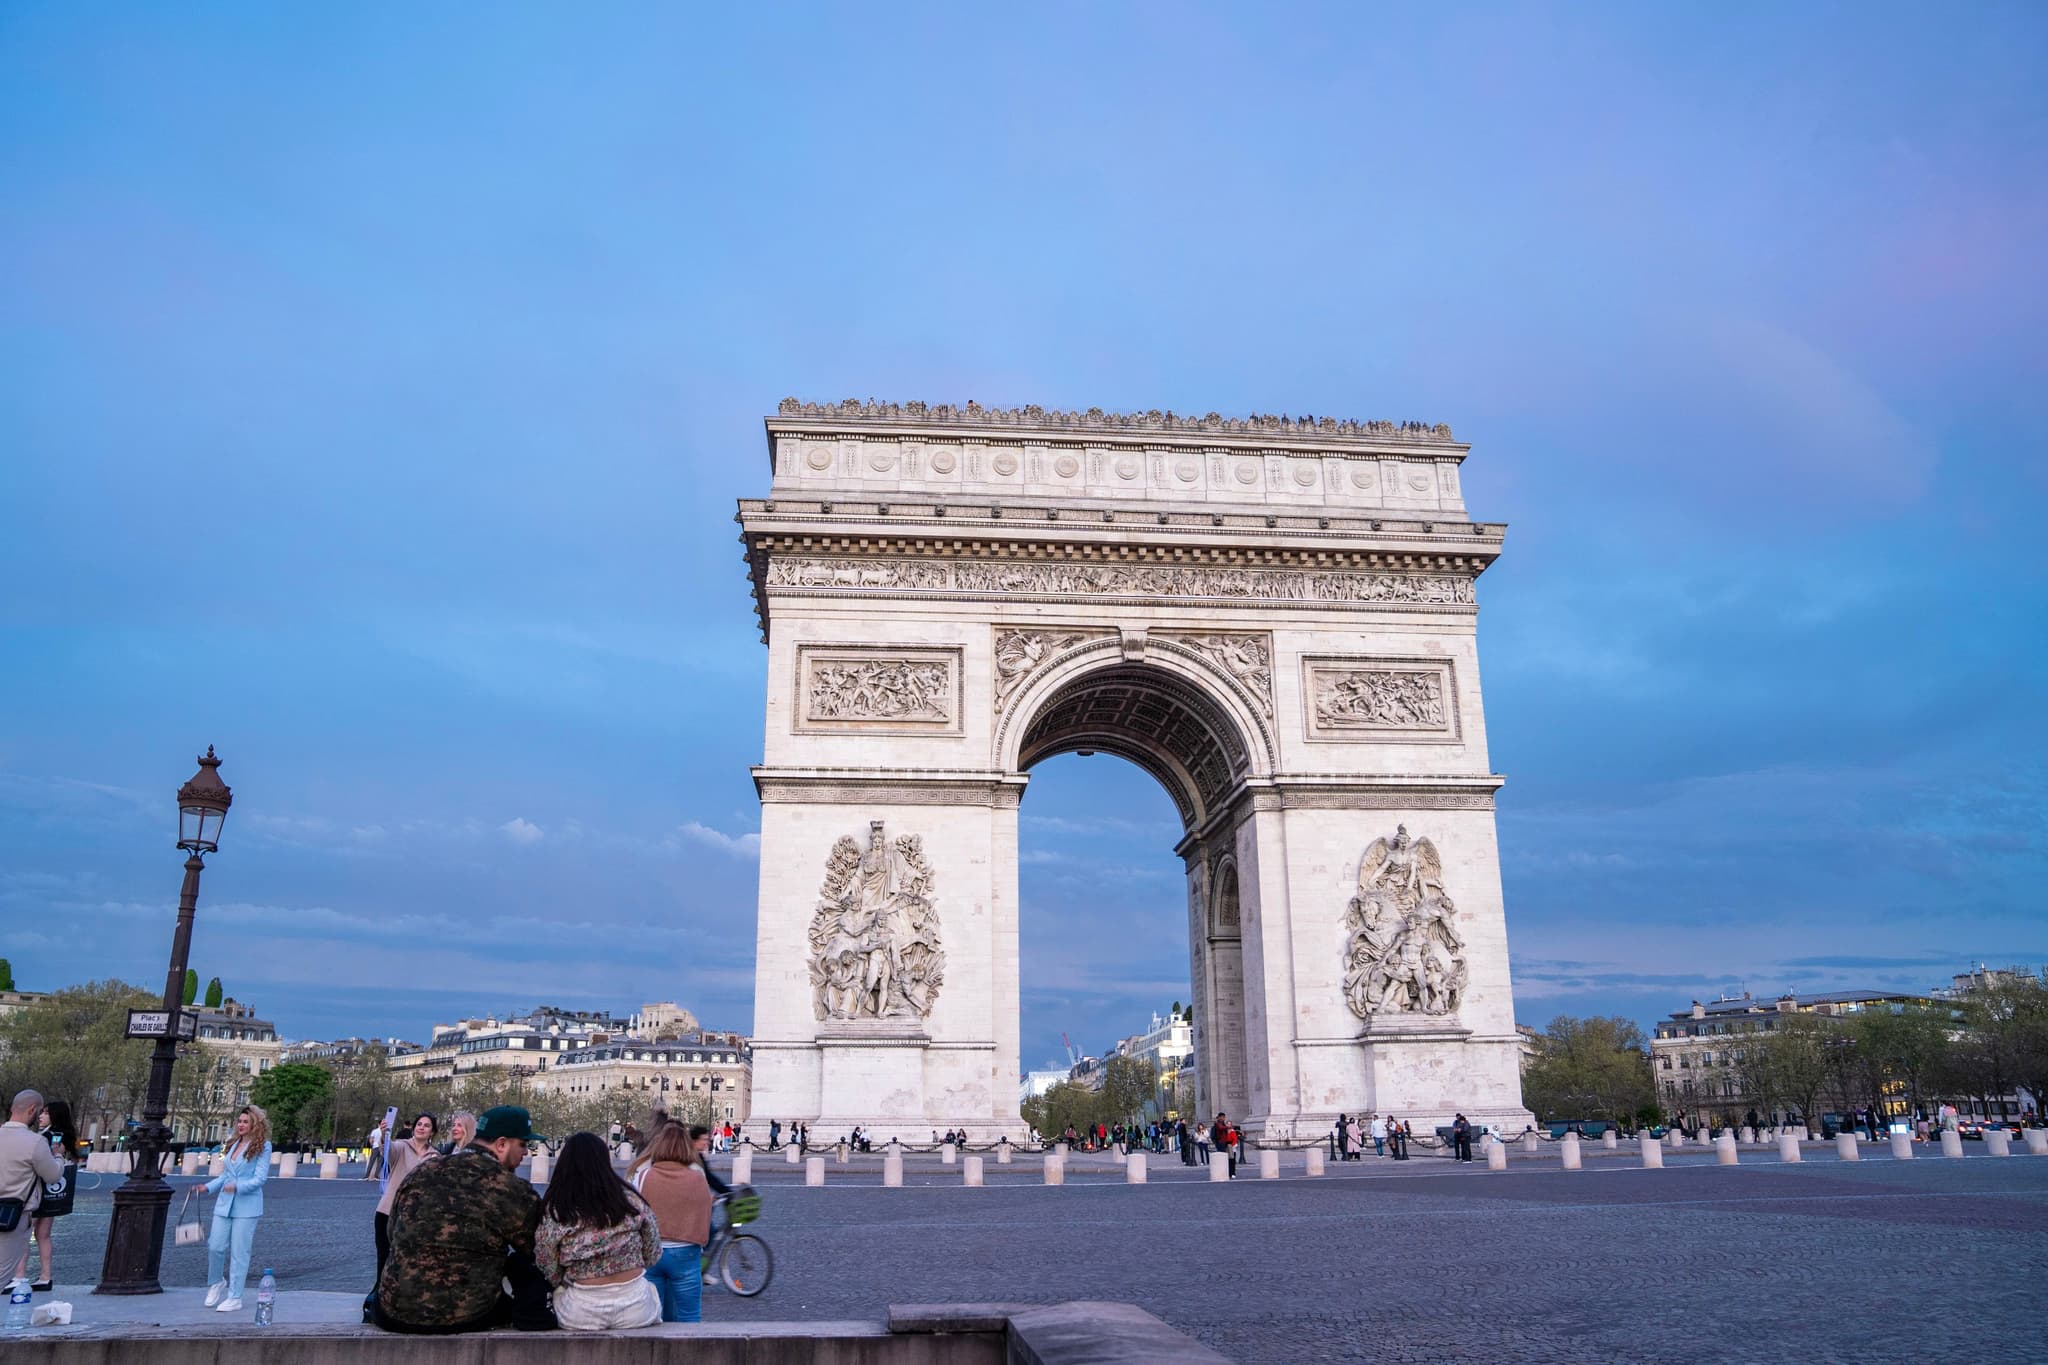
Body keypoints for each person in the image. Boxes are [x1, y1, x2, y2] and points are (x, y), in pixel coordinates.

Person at [371, 1105, 554, 1334]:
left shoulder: (424, 1170)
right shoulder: (511, 1189)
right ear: (501, 1144)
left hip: (393, 1310)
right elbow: (538, 1249)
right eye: (523, 1145)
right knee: (520, 1267)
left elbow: (392, 1230)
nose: (526, 1153)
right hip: (467, 1313)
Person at [534, 1132, 661, 1330]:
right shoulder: (632, 1201)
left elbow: (545, 1261)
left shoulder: (559, 1208)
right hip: (636, 1306)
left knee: (558, 1294)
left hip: (582, 1310)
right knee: (651, 1289)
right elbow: (653, 1254)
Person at [629, 1121, 713, 1322]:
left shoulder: (643, 1174)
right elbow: (705, 1212)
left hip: (652, 1252)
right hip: (686, 1250)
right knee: (689, 1315)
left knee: (652, 1316)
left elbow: (633, 1213)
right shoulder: (697, 1175)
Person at [202, 1105, 273, 1312]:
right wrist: (207, 1187)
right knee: (214, 1245)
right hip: (224, 1203)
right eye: (239, 1121)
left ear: (254, 1125)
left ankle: (235, 1296)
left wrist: (238, 1187)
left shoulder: (263, 1146)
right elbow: (226, 1175)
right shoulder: (232, 1144)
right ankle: (216, 1282)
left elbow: (260, 1178)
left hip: (247, 1206)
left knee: (239, 1253)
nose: (241, 1125)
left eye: (245, 1122)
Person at [1, 1090, 65, 1292]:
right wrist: (59, 1157)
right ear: (32, 1110)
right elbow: (52, 1175)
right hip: (12, 1215)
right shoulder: (35, 1142)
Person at [15, 1098, 75, 1290]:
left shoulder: (47, 1137)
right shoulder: (61, 1135)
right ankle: (45, 1276)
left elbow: (42, 1164)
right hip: (52, 1193)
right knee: (43, 1234)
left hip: (38, 1190)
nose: (40, 1116)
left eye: (46, 1113)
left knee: (24, 1233)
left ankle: (19, 1276)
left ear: (55, 1116)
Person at [374, 1113, 440, 1282]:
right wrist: (383, 1135)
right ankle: (379, 1298)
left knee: (407, 1259)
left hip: (414, 1216)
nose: (422, 1128)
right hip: (388, 1211)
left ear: (432, 1132)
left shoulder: (435, 1156)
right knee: (384, 1257)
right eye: (419, 1124)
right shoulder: (401, 1146)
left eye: (426, 1126)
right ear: (413, 1127)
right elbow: (387, 1149)